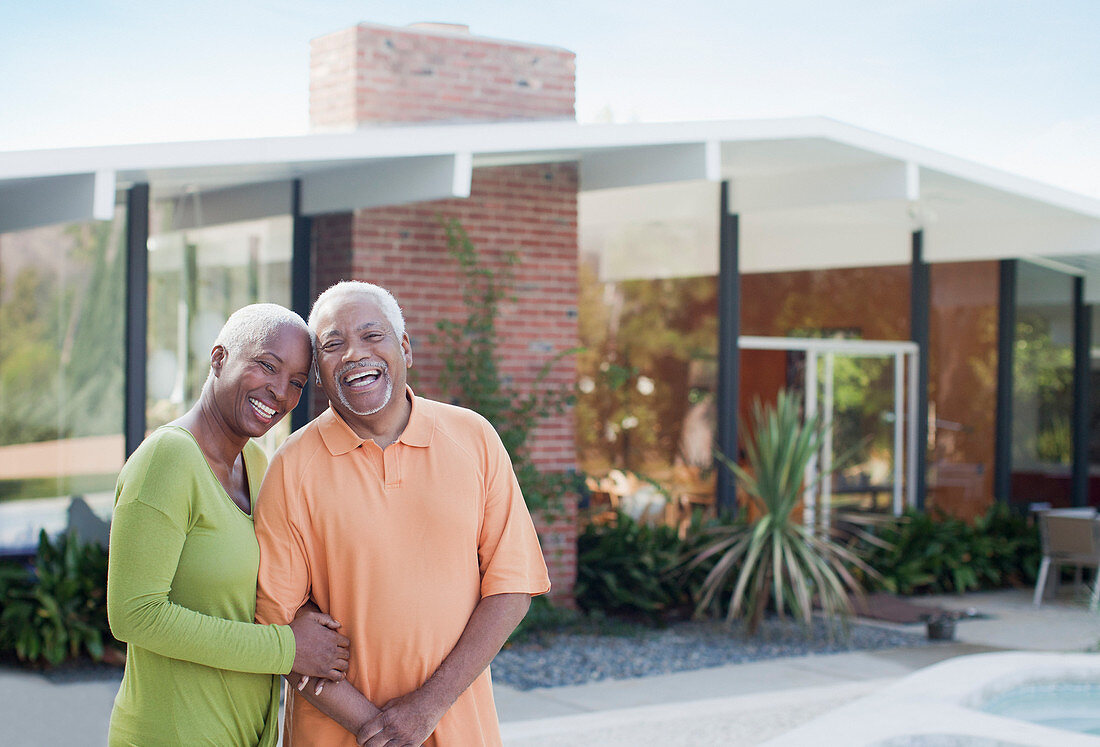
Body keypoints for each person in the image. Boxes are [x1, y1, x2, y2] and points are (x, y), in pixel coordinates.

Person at [254, 281, 551, 746]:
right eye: (333, 345)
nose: (355, 353)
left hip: (459, 730)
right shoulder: (291, 468)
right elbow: (281, 628)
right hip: (333, 735)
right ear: (319, 374)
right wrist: (380, 731)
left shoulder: (474, 438)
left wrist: (426, 708)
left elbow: (511, 587)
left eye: (373, 336)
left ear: (405, 349)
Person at [107, 303, 351, 746]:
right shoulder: (169, 458)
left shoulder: (258, 464)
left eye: (296, 382)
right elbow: (134, 615)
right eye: (266, 365)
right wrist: (287, 649)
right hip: (171, 735)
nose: (279, 391)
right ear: (219, 358)